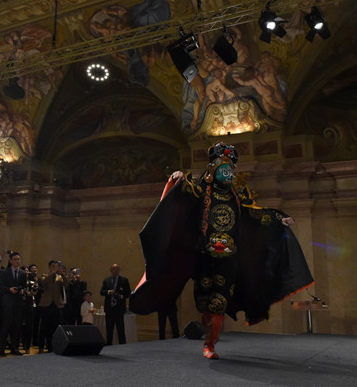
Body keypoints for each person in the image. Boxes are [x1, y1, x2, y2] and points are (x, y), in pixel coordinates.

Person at [129, 142, 313, 359]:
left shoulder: (238, 198)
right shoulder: (201, 192)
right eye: (223, 170)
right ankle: (209, 337)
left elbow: (256, 215)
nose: (228, 175)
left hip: (228, 260)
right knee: (204, 303)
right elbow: (181, 193)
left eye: (230, 171)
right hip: (203, 259)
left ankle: (210, 344)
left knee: (218, 303)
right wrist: (176, 178)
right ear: (212, 171)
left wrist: (278, 218)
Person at [0, 251, 27, 356]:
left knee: (16, 326)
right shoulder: (5, 272)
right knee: (5, 325)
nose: (17, 261)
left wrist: (22, 290)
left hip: (18, 302)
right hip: (8, 301)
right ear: (10, 261)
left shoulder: (22, 273)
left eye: (18, 259)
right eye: (15, 259)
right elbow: (1, 286)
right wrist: (9, 289)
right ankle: (2, 348)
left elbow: (24, 286)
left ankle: (14, 348)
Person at [38, 260, 68, 353]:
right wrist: (53, 273)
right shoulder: (45, 275)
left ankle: (52, 346)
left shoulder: (60, 277)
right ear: (49, 267)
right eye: (53, 266)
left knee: (55, 326)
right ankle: (41, 346)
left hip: (57, 304)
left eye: (56, 266)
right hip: (46, 304)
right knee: (44, 326)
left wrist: (63, 274)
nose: (55, 268)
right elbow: (44, 282)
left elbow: (66, 284)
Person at [100, 264, 131, 345]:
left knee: (120, 330)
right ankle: (109, 347)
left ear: (119, 270)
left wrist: (120, 296)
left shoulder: (124, 280)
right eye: (114, 269)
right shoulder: (107, 280)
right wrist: (108, 292)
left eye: (117, 269)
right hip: (109, 309)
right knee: (109, 330)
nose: (115, 270)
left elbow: (128, 293)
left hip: (119, 309)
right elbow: (102, 292)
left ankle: (122, 346)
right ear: (111, 270)